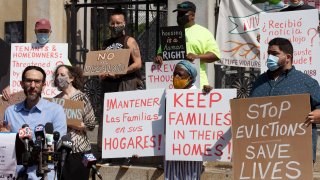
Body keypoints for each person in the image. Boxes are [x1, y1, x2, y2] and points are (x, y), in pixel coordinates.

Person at [250, 37, 320, 163]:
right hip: (263, 156)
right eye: (269, 53)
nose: (270, 57)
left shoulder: (306, 83)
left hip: (296, 157)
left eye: (275, 54)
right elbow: (249, 112)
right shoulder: (259, 82)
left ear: (288, 57)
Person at [1, 65, 67, 179]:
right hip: (16, 174)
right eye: (28, 81)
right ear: (22, 84)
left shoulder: (56, 111)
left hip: (44, 174)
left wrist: (34, 141)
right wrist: (4, 137)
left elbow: (58, 145)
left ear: (43, 85)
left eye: (37, 81)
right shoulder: (10, 112)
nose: (32, 86)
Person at [97, 7, 143, 164]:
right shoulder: (105, 43)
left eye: (118, 22)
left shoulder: (129, 41)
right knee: (107, 118)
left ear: (124, 23)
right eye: (112, 23)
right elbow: (101, 64)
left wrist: (120, 72)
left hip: (126, 83)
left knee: (125, 117)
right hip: (108, 85)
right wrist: (101, 73)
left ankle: (127, 153)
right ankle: (105, 152)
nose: (115, 25)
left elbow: (138, 63)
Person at [154, 1, 220, 88]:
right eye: (178, 14)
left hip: (197, 85)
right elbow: (161, 54)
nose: (179, 17)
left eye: (183, 14)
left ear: (193, 15)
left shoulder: (204, 32)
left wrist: (197, 57)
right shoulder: (170, 33)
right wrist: (158, 57)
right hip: (172, 85)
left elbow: (215, 55)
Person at [165, 60, 212, 180]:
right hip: (173, 147)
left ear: (190, 77)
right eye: (174, 74)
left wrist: (209, 95)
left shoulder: (200, 95)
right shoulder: (168, 95)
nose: (176, 77)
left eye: (180, 74)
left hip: (192, 148)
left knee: (190, 177)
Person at [53, 65, 96, 180]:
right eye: (57, 75)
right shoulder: (56, 100)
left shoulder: (82, 98)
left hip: (80, 151)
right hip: (61, 150)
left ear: (71, 79)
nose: (58, 77)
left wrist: (76, 125)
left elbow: (91, 124)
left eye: (62, 75)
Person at [2, 18, 52, 100]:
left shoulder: (60, 53)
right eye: (40, 31)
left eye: (45, 31)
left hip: (48, 99)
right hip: (26, 99)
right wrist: (9, 86)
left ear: (50, 32)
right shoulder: (21, 52)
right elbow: (14, 74)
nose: (42, 34)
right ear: (35, 32)